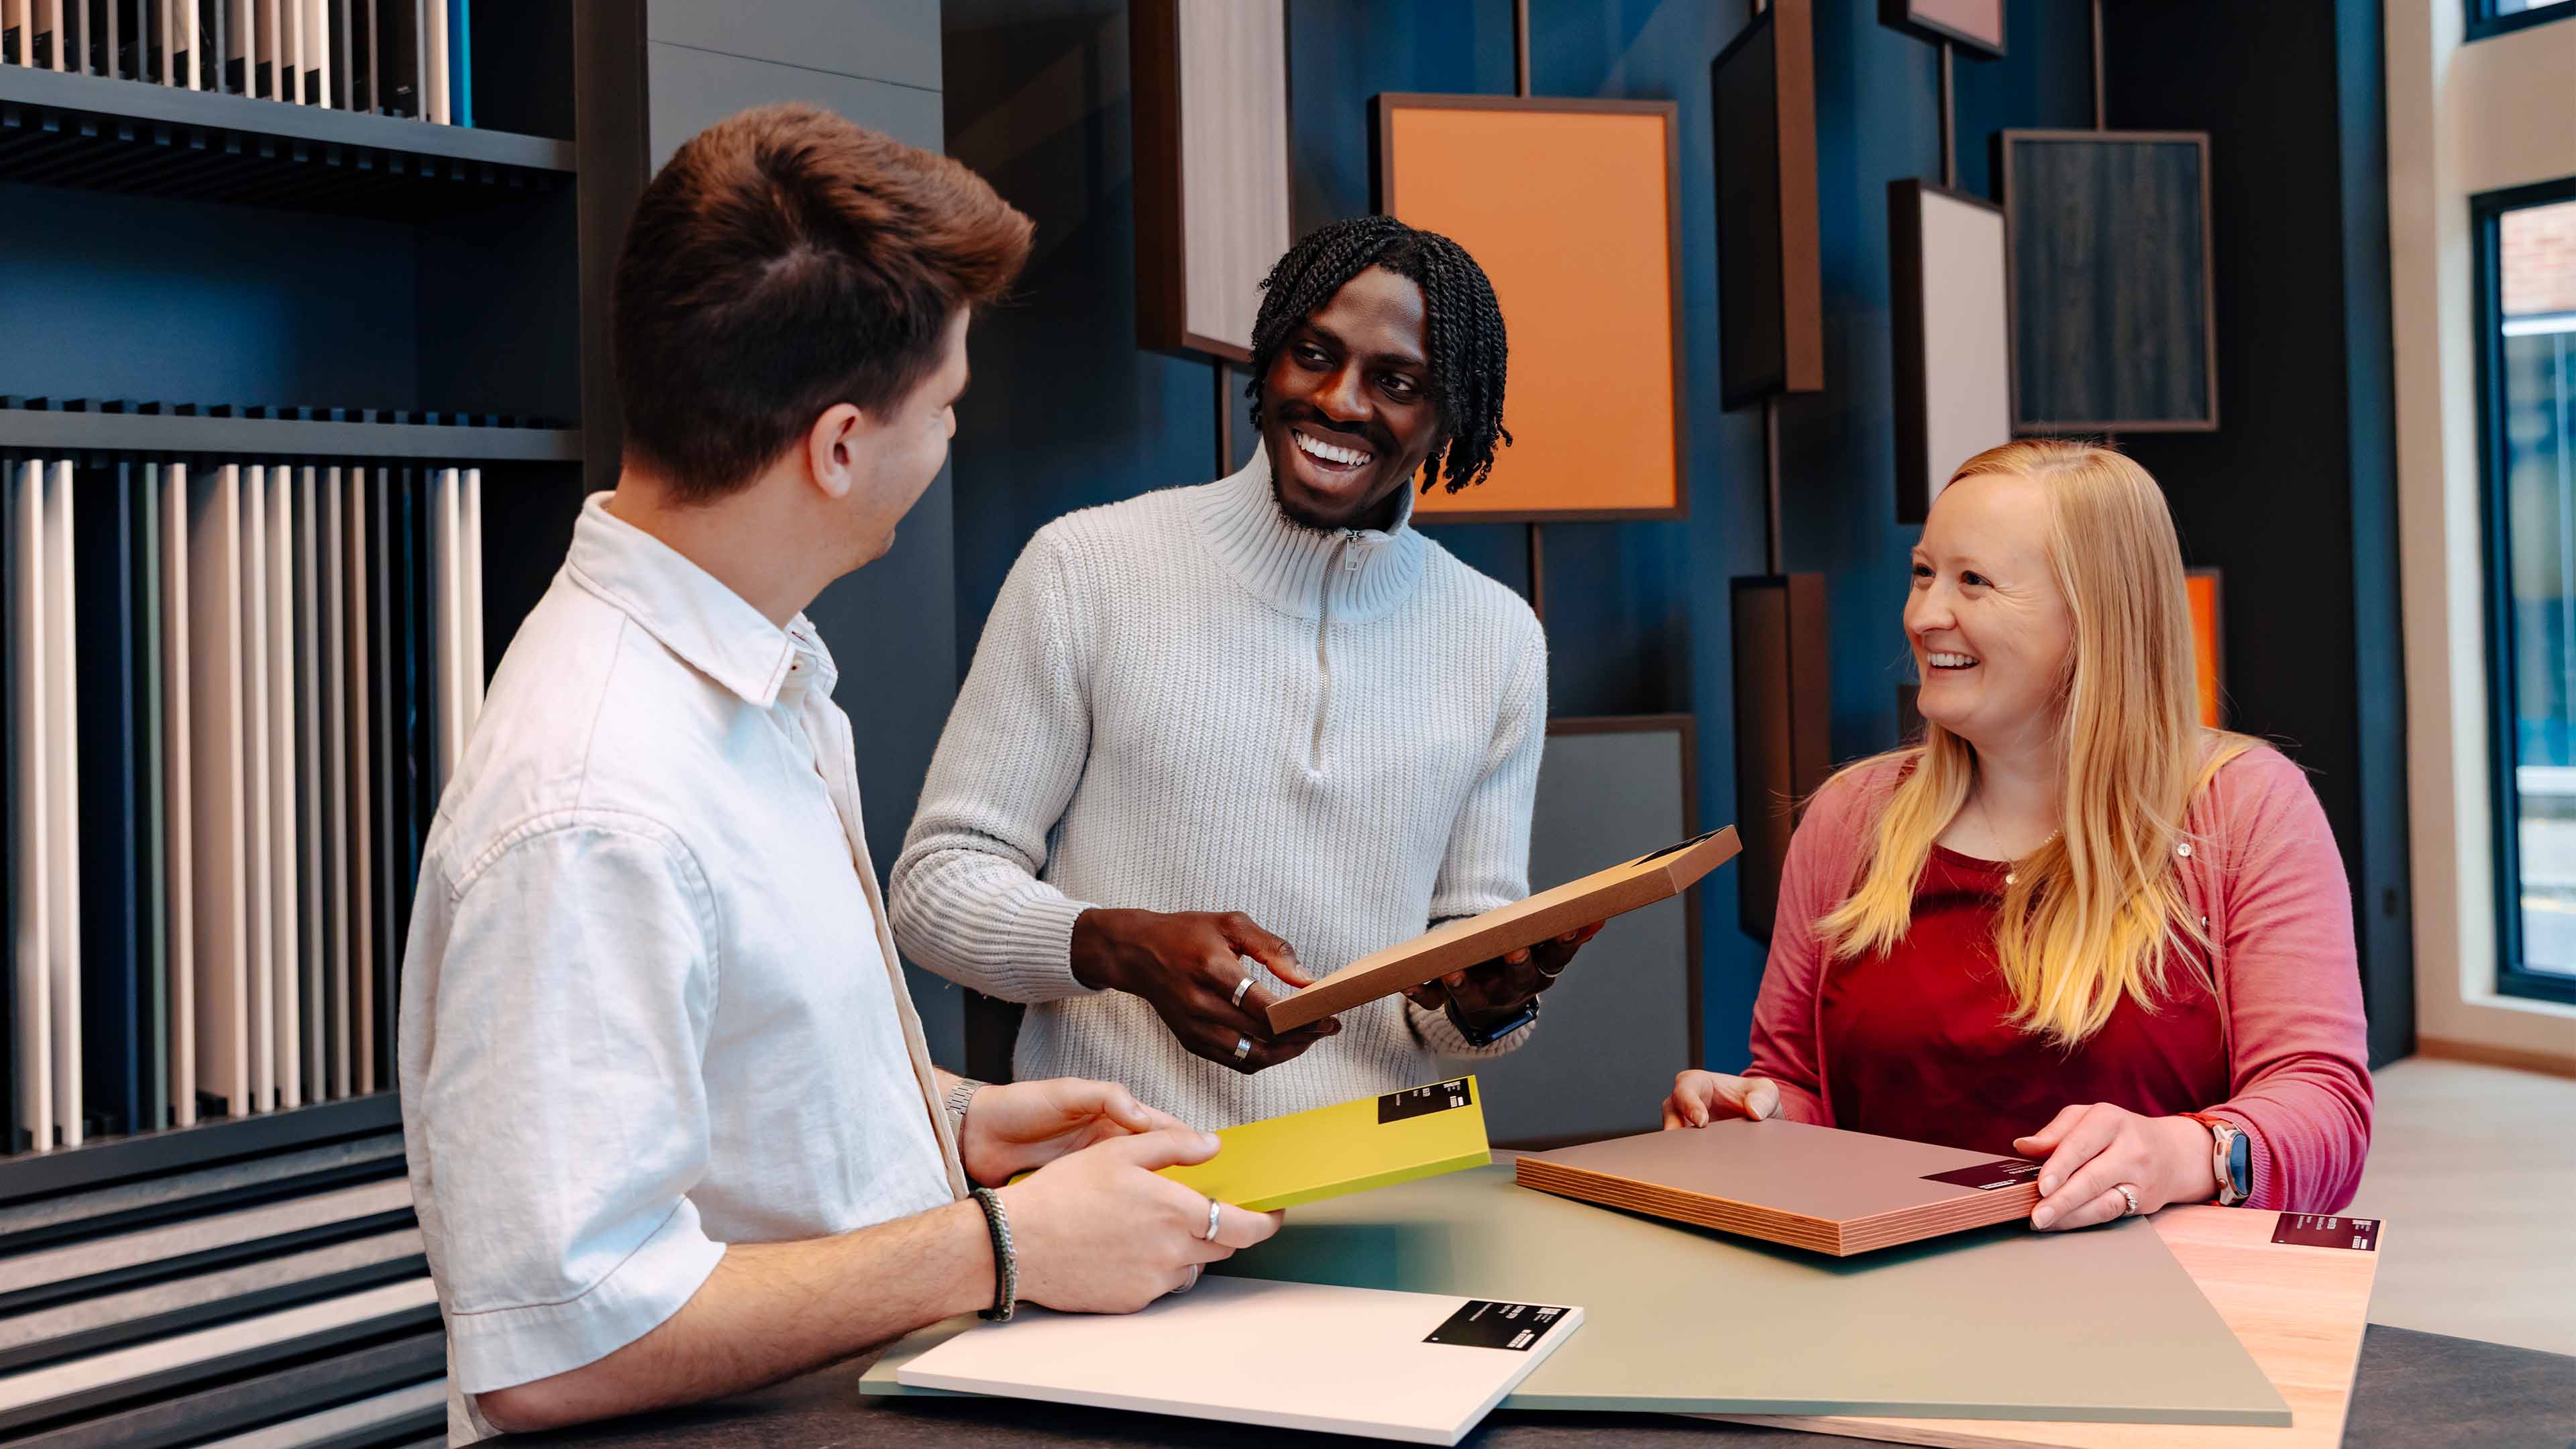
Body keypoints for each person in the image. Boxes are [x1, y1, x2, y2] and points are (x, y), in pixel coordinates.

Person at [397, 106, 1277, 1444]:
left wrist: (958, 1122)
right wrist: (1002, 1244)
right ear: (843, 446)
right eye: (949, 413)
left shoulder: (760, 675)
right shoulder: (596, 806)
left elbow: (720, 1079)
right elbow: (558, 1346)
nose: (953, 445)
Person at [891, 216, 1601, 1129]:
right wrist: (1121, 946)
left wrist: (1485, 1003)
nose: (1342, 402)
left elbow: (1452, 1005)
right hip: (1116, 1175)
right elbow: (933, 890)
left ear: (1448, 415)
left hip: (1383, 1184)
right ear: (1269, 360)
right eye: (1315, 354)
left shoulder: (1499, 636)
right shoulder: (1088, 567)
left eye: (1396, 382)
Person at [1664, 440, 2372, 1228]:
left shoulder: (2243, 805)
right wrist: (1754, 1124)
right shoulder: (1848, 816)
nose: (1925, 615)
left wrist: (2178, 1155)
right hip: (1892, 1300)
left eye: (1973, 581)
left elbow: (2323, 1106)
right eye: (1925, 572)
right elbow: (1797, 1083)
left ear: (2095, 616)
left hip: (2155, 1309)